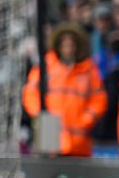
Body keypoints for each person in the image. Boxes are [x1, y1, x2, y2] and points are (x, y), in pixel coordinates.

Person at [22, 22, 107, 157]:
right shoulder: (46, 65)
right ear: (59, 46)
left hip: (78, 138)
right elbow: (30, 93)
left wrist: (86, 119)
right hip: (49, 130)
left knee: (77, 174)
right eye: (65, 45)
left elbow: (99, 99)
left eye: (72, 45)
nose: (69, 49)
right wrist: (41, 115)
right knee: (48, 171)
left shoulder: (88, 69)